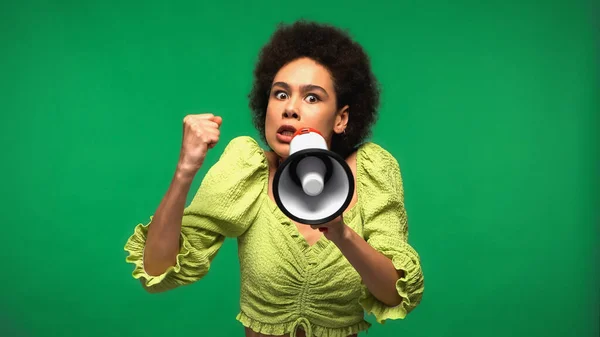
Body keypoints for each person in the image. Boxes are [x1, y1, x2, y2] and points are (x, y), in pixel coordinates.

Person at [124, 20, 424, 337]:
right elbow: (156, 270)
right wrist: (185, 169)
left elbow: (395, 293)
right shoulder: (248, 167)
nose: (290, 109)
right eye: (280, 94)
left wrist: (341, 234)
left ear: (341, 118)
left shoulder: (372, 170)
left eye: (312, 98)